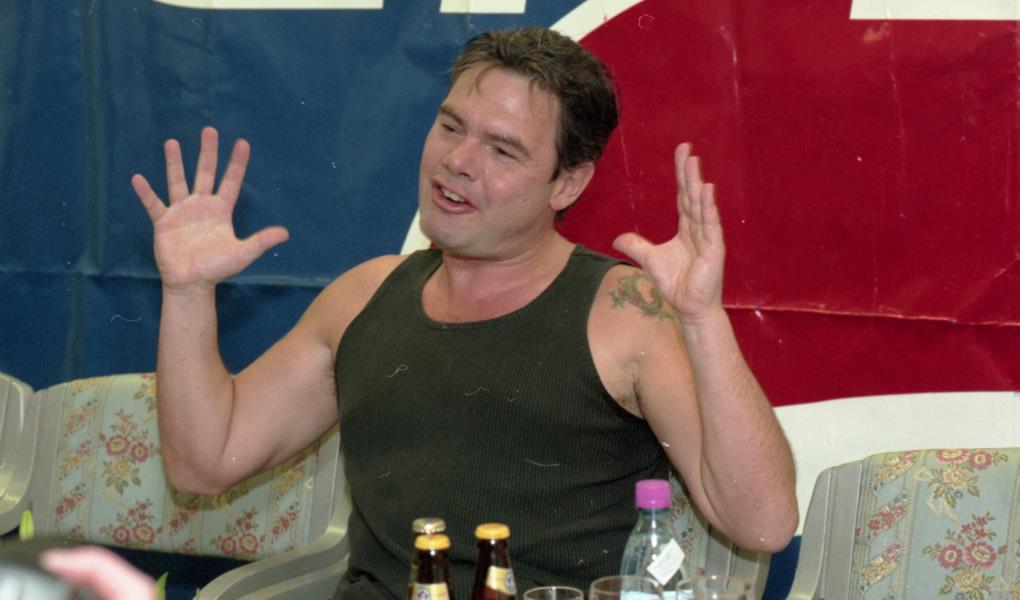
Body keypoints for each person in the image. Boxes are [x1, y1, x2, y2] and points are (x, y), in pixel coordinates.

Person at [131, 27, 797, 600]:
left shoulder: (624, 312)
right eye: (451, 127)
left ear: (567, 182)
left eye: (502, 150)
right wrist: (187, 293)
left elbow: (763, 523)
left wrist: (703, 321)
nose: (457, 161)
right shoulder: (364, 295)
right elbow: (204, 462)